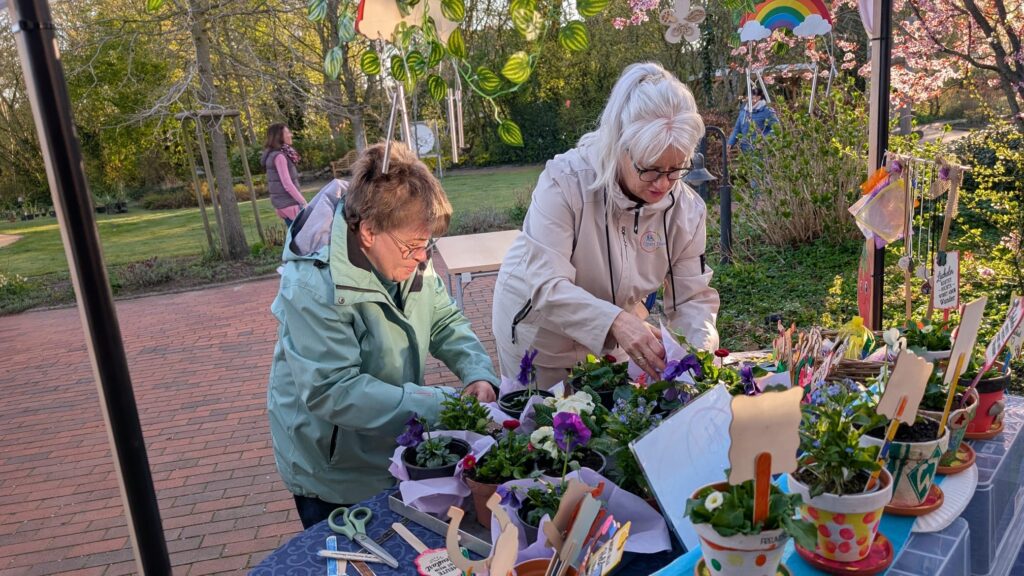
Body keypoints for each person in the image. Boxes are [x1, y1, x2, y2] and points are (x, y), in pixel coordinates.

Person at [267, 142, 499, 528]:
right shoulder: (312, 285)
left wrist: (477, 371)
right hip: (332, 469)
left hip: (388, 440)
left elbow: (442, 319)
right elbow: (333, 390)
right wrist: (436, 403)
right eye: (413, 246)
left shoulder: (408, 255)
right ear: (370, 231)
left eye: (428, 245)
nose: (423, 258)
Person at [491, 62, 720, 389]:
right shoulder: (565, 183)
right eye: (651, 169)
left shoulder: (686, 211)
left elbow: (692, 299)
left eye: (676, 169)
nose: (664, 184)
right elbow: (546, 284)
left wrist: (696, 352)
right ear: (620, 146)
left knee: (611, 422)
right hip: (538, 334)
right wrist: (615, 321)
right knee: (540, 429)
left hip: (618, 332)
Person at [262, 123, 307, 226]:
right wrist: (303, 202)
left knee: (295, 237)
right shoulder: (279, 156)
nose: (290, 135)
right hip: (289, 204)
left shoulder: (273, 154)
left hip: (282, 204)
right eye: (287, 132)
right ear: (279, 136)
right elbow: (287, 183)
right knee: (301, 238)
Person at [727, 86, 779, 153]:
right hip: (745, 149)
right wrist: (730, 142)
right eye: (748, 97)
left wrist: (763, 141)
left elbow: (776, 129)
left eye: (752, 97)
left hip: (761, 150)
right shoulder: (744, 111)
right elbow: (737, 128)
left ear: (758, 97)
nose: (749, 99)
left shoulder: (767, 111)